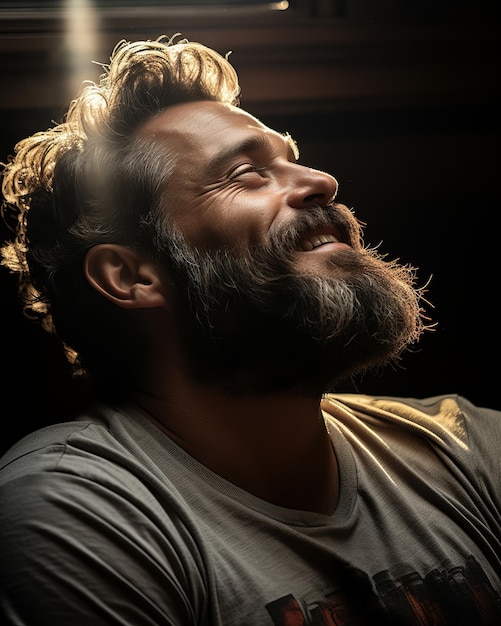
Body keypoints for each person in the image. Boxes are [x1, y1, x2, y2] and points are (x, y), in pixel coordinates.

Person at [0, 34, 499, 626]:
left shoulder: (468, 451)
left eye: (292, 157)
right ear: (133, 275)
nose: (321, 181)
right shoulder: (74, 513)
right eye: (247, 174)